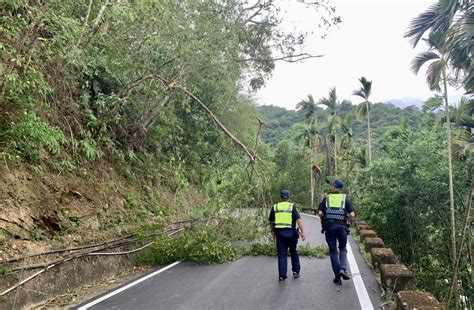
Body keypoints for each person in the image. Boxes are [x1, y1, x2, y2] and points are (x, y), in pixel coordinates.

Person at [319, 179, 355, 285]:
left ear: (334, 187)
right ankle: (343, 269)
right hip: (342, 227)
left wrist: (326, 216)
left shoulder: (327, 198)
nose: (331, 187)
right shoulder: (345, 199)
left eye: (332, 186)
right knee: (343, 248)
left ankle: (337, 278)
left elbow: (320, 213)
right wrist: (345, 216)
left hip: (330, 227)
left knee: (333, 251)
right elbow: (352, 215)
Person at [269, 189, 306, 282]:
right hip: (292, 234)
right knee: (293, 251)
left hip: (280, 234)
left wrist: (272, 230)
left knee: (282, 254)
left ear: (280, 197)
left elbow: (271, 221)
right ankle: (296, 272)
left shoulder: (275, 207)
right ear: (288, 197)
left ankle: (282, 276)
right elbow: (298, 220)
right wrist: (303, 232)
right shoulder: (292, 206)